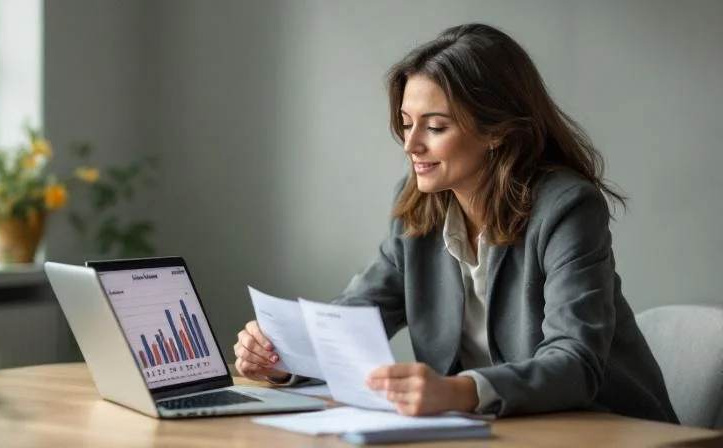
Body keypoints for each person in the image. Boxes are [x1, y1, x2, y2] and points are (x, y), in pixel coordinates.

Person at [232, 23, 678, 422]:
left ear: (496, 130)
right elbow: (357, 314)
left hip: (605, 428)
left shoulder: (566, 207)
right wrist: (286, 355)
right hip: (498, 430)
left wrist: (458, 391)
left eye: (436, 127)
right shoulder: (419, 207)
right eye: (406, 124)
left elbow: (574, 361)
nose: (411, 145)